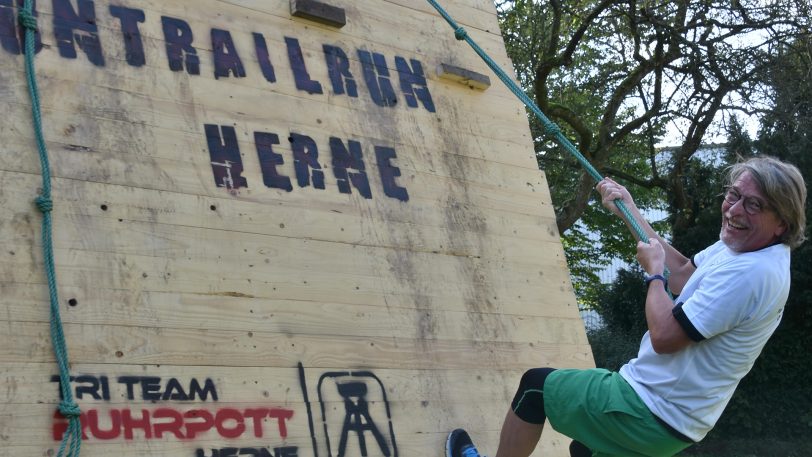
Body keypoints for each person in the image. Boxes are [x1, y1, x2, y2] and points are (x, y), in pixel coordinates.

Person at [446, 156, 807, 457]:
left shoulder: (752, 272)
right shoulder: (742, 248)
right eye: (733, 194)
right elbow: (681, 271)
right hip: (675, 421)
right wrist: (628, 210)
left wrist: (653, 276)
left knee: (536, 388)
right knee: (585, 448)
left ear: (782, 223)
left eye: (753, 204)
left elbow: (665, 335)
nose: (734, 209)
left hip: (649, 410)